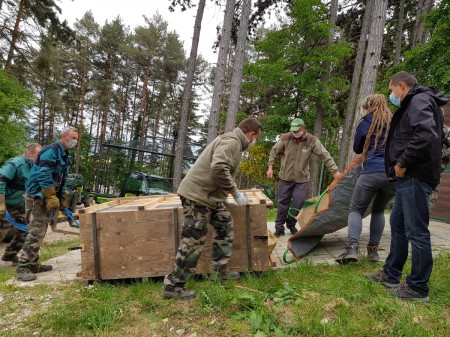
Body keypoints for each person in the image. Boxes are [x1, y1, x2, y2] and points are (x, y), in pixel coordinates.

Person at [367, 71, 448, 302]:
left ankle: (418, 288)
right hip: (408, 176)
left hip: (415, 173)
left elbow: (424, 134)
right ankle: (391, 274)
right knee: (398, 225)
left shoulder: (418, 100)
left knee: (416, 230)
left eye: (391, 90)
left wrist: (403, 162)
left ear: (401, 85)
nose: (391, 95)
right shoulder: (416, 101)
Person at [163, 117, 262, 299]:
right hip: (197, 198)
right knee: (193, 242)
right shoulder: (232, 142)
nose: (254, 142)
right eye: (256, 138)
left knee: (225, 223)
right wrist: (235, 192)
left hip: (209, 199)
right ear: (251, 134)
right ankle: (173, 287)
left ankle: (220, 272)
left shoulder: (232, 141)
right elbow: (218, 169)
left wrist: (222, 197)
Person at [335, 94, 396, 264]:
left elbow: (357, 148)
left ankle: (352, 249)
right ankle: (373, 252)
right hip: (391, 175)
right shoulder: (394, 121)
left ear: (368, 106)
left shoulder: (366, 121)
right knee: (378, 210)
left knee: (356, 209)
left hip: (371, 172)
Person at [15, 126, 78, 282]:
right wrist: (50, 196)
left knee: (41, 231)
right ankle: (22, 267)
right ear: (64, 137)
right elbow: (44, 175)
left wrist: (62, 197)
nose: (75, 141)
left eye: (76, 138)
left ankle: (33, 263)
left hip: (45, 196)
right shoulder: (51, 151)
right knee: (36, 231)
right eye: (73, 138)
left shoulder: (64, 154)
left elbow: (61, 177)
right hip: (36, 197)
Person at [267, 118, 340, 237]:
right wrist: (270, 167)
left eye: (297, 130)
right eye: (293, 131)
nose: (294, 133)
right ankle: (279, 228)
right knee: (282, 203)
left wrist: (335, 171)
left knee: (298, 202)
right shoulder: (286, 138)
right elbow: (273, 152)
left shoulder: (312, 141)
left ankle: (291, 225)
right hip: (285, 177)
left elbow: (325, 155)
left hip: (302, 179)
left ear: (303, 128)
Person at [0, 143, 42, 263]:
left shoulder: (33, 167)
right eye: (38, 155)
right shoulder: (16, 164)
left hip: (17, 204)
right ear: (29, 153)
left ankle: (10, 254)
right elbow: (0, 181)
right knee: (2, 229)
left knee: (26, 229)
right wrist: (1, 204)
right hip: (4, 202)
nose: (40, 158)